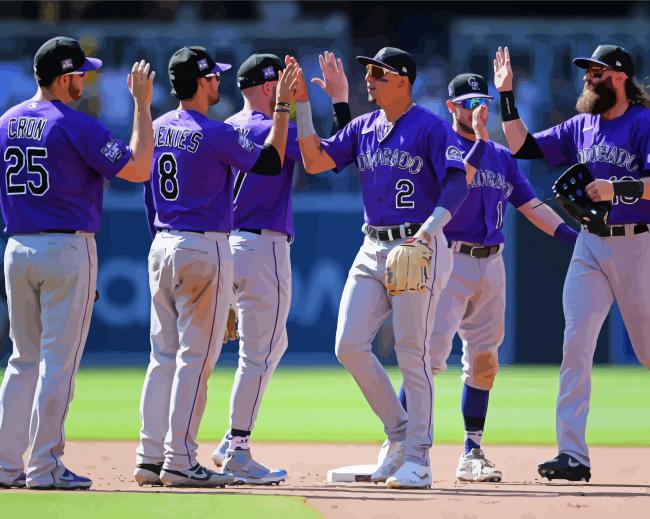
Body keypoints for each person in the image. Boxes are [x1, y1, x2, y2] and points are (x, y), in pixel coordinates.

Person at [292, 47, 485, 489]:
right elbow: (315, 160)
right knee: (348, 345)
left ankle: (419, 458)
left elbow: (458, 180)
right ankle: (400, 434)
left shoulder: (430, 126)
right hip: (372, 244)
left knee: (412, 354)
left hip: (417, 244)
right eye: (369, 72)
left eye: (379, 73)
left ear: (403, 80)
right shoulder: (363, 127)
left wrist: (431, 230)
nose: (370, 79)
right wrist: (303, 105)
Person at [393, 73, 577, 482]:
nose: (478, 109)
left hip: (491, 263)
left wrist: (573, 237)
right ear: (451, 107)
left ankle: (472, 451)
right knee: (426, 359)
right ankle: (400, 448)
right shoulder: (442, 146)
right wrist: (477, 140)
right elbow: (456, 184)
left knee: (484, 361)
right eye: (469, 102)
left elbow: (531, 205)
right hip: (448, 259)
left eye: (483, 101)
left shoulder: (501, 156)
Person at [134, 46, 296, 488]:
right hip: (204, 244)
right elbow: (270, 161)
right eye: (214, 76)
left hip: (162, 242)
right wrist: (283, 106)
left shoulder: (158, 127)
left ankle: (149, 456)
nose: (219, 82)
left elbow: (146, 192)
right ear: (202, 81)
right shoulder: (214, 132)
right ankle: (181, 459)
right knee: (196, 359)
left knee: (162, 358)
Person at [0, 36, 154, 490]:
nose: (85, 80)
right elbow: (138, 169)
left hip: (17, 246)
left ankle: (5, 465)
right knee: (58, 363)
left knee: (22, 360)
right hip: (65, 247)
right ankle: (45, 466)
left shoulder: (6, 121)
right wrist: (142, 107)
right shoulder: (75, 124)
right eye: (81, 73)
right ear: (64, 76)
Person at [494, 44, 650, 482]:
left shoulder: (643, 122)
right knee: (576, 345)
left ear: (619, 76)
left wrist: (619, 189)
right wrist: (506, 95)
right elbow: (523, 146)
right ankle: (572, 455)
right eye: (587, 71)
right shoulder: (582, 125)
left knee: (647, 351)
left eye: (596, 71)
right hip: (590, 243)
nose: (588, 77)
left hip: (638, 243)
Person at [209, 51, 351, 484]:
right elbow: (326, 156)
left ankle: (224, 440)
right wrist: (325, 102)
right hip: (262, 245)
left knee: (266, 346)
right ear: (272, 87)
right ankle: (237, 448)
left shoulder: (228, 126)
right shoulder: (273, 127)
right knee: (260, 352)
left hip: (224, 244)